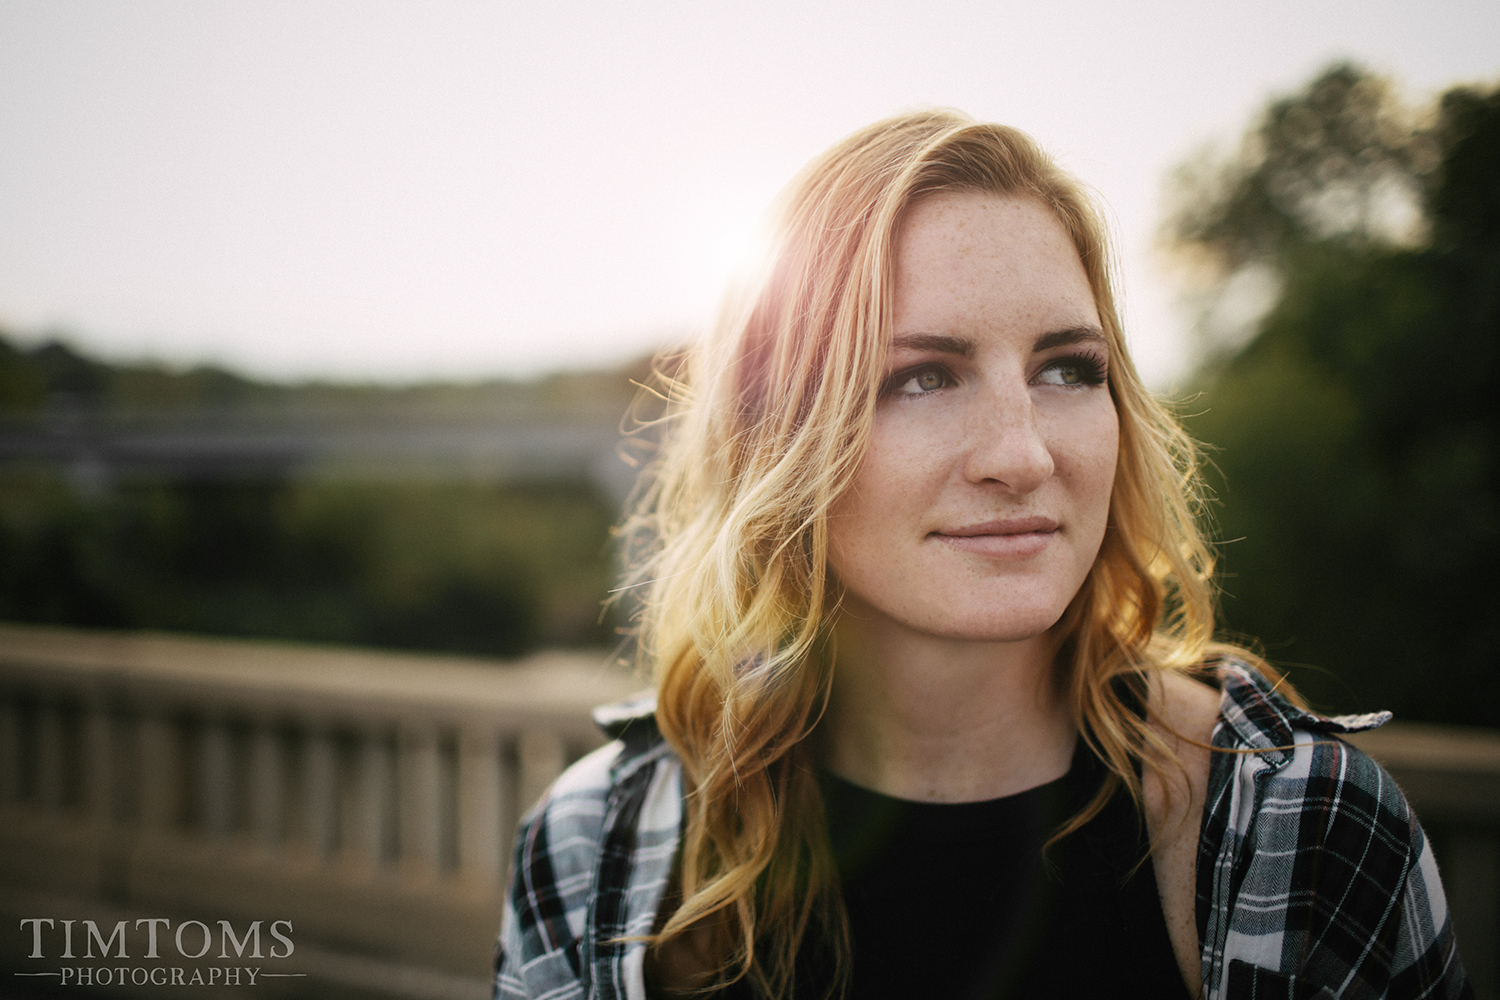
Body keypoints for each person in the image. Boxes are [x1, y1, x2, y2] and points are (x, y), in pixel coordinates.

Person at [493, 110, 1472, 1000]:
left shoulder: (1310, 838)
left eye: (1067, 368)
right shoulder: (595, 852)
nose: (1023, 453)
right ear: (778, 440)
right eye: (922, 375)